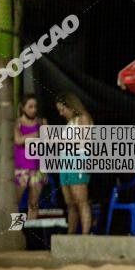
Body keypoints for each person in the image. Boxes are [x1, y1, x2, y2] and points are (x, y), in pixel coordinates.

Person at [56, 92, 93, 235]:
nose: (61, 113)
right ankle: (70, 234)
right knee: (70, 203)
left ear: (71, 107)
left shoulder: (83, 119)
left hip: (78, 160)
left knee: (81, 201)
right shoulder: (70, 124)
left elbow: (83, 142)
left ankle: (85, 234)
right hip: (65, 162)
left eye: (62, 109)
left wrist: (59, 140)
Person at [14, 94, 48, 220]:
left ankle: (30, 230)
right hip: (20, 168)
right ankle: (15, 231)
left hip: (37, 168)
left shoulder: (41, 122)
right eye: (30, 107)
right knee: (15, 202)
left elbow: (48, 139)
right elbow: (18, 140)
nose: (34, 109)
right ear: (23, 108)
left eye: (35, 106)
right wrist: (38, 134)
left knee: (33, 203)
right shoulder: (17, 122)